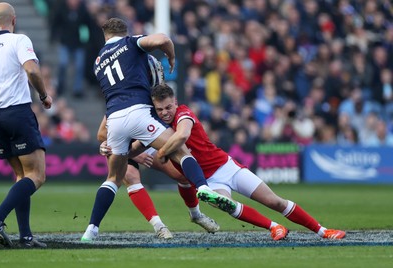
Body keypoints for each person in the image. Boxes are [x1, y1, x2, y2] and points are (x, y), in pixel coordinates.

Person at [81, 17, 235, 241]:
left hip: (118, 119)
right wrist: (171, 56)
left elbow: (106, 128)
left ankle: (91, 230)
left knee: (115, 177)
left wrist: (124, 147)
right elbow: (162, 39)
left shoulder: (98, 62)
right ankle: (168, 219)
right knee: (176, 156)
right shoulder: (134, 50)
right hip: (139, 120)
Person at [149, 83, 346, 241]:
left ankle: (323, 231)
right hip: (208, 182)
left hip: (226, 167)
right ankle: (274, 227)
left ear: (175, 102)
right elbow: (139, 146)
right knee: (224, 203)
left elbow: (182, 135)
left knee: (274, 201)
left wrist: (162, 152)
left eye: (168, 107)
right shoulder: (154, 128)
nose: (165, 112)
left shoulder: (183, 113)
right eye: (160, 109)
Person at [81, 116, 220, 241]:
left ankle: (196, 214)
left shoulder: (149, 99)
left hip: (147, 143)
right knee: (130, 177)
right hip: (124, 146)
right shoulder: (121, 99)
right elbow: (101, 134)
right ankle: (159, 226)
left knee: (181, 176)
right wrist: (134, 154)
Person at [0, 2, 53, 248]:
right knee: (37, 176)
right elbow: (33, 71)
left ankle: (26, 237)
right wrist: (43, 95)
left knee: (21, 175)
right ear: (14, 21)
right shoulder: (18, 40)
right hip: (16, 113)